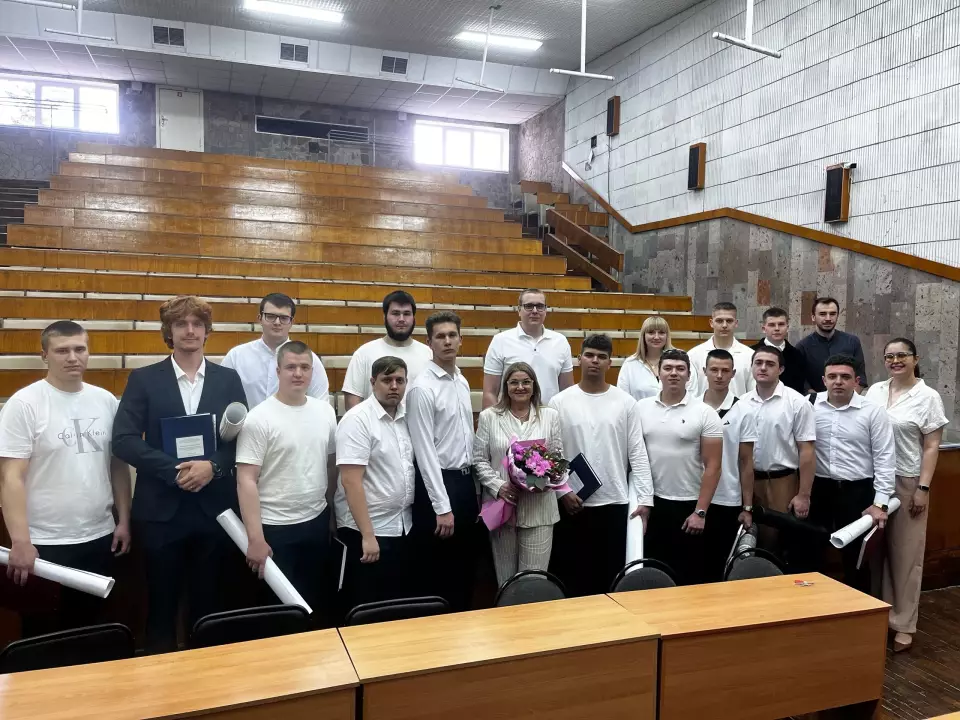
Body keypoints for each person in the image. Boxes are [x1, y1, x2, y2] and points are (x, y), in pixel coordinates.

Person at [112, 296, 248, 653]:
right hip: (161, 512)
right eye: (181, 324)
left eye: (197, 324)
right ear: (168, 332)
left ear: (207, 331)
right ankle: (161, 678)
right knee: (160, 606)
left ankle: (208, 677)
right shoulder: (144, 379)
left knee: (210, 606)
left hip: (215, 511)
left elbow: (241, 440)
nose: (190, 330)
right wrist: (174, 471)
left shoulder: (228, 379)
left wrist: (212, 467)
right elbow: (123, 441)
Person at [0, 321, 132, 636]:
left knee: (91, 630)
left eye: (79, 349)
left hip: (99, 536)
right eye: (62, 350)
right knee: (42, 635)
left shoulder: (106, 401)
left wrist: (124, 520)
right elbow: (11, 477)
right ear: (44, 355)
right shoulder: (25, 404)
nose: (73, 357)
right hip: (45, 542)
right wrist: (21, 540)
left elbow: (118, 466)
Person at [236, 341, 338, 619]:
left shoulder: (325, 412)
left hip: (316, 521)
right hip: (274, 528)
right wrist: (255, 538)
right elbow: (246, 480)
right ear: (278, 370)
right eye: (291, 367)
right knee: (279, 613)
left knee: (315, 603)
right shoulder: (258, 418)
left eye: (305, 367)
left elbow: (330, 465)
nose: (298, 373)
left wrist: (330, 514)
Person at [548, 334, 652, 597]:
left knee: (610, 579)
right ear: (579, 359)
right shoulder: (559, 402)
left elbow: (637, 452)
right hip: (573, 503)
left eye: (601, 357)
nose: (595, 361)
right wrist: (562, 492)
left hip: (614, 502)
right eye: (590, 355)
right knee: (574, 578)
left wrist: (645, 499)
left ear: (610, 363)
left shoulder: (625, 402)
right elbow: (553, 453)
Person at [865, 339, 947, 652]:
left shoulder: (927, 396)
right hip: (874, 480)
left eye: (902, 355)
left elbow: (931, 446)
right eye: (890, 356)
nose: (895, 361)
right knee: (874, 553)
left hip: (907, 480)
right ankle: (875, 615)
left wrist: (923, 488)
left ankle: (902, 623)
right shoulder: (875, 391)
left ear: (915, 359)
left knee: (905, 554)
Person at [405, 311, 477, 611]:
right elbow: (424, 452)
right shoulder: (422, 388)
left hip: (465, 482)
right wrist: (442, 507)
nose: (447, 341)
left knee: (465, 566)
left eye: (452, 335)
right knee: (439, 571)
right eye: (440, 336)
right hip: (439, 486)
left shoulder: (461, 381)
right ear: (429, 342)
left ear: (460, 340)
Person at [335, 356, 416, 613]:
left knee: (394, 608)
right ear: (372, 382)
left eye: (400, 380)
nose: (394, 386)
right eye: (387, 380)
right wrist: (368, 536)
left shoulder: (406, 417)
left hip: (401, 528)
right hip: (367, 532)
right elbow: (350, 481)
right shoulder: (358, 419)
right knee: (365, 608)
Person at [809, 354, 895, 592]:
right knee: (813, 553)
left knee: (856, 559)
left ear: (856, 381)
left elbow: (885, 458)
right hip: (818, 490)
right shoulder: (809, 405)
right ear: (823, 380)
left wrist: (880, 503)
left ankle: (859, 610)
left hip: (857, 492)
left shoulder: (873, 412)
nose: (838, 381)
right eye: (832, 376)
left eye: (845, 377)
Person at [475, 362, 564, 586]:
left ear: (534, 386)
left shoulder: (550, 416)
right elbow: (479, 460)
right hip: (502, 509)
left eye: (526, 382)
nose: (520, 387)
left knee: (534, 583)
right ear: (506, 387)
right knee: (506, 581)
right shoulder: (489, 417)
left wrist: (544, 479)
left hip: (539, 510)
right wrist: (498, 486)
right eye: (514, 382)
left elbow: (557, 457)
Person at [638, 349, 723, 585]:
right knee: (653, 572)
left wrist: (700, 512)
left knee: (688, 575)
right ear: (658, 373)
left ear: (689, 375)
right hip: (652, 503)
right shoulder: (640, 408)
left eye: (680, 369)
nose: (673, 373)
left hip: (689, 506)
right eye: (668, 368)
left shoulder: (705, 413)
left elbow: (713, 466)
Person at [739, 346, 816, 565]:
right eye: (758, 363)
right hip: (748, 480)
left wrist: (804, 494)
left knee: (776, 544)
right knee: (748, 542)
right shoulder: (741, 402)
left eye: (770, 364)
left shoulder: (796, 402)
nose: (763, 368)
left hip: (782, 481)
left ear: (781, 369)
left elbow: (807, 450)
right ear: (752, 367)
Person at [699, 349, 757, 582]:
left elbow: (746, 461)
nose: (719, 375)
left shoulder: (744, 410)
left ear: (733, 374)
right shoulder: (692, 406)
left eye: (725, 371)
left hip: (727, 499)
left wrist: (747, 506)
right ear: (704, 371)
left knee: (719, 565)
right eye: (714, 370)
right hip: (693, 496)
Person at [221, 293, 329, 408]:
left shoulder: (310, 360)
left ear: (292, 322)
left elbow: (321, 406)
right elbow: (220, 396)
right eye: (270, 316)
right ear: (260, 319)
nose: (277, 322)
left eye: (284, 318)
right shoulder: (236, 356)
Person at [341, 290, 433, 411]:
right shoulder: (364, 353)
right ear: (384, 317)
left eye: (406, 314)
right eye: (395, 313)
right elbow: (353, 404)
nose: (401, 319)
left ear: (413, 318)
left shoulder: (429, 354)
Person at [482, 289, 574, 408]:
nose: (535, 311)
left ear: (545, 310)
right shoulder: (500, 341)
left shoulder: (560, 341)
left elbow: (567, 392)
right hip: (510, 417)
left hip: (550, 417)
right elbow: (490, 393)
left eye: (540, 306)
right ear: (519, 310)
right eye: (529, 306)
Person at [796, 297, 867, 393]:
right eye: (822, 314)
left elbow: (861, 377)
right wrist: (816, 398)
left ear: (837, 316)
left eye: (832, 314)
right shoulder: (802, 347)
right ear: (813, 317)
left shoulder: (852, 342)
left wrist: (849, 398)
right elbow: (800, 380)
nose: (828, 318)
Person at [687, 302, 755, 397]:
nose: (724, 325)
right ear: (711, 323)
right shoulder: (694, 355)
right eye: (719, 321)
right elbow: (691, 392)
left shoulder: (750, 356)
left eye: (729, 321)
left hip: (739, 406)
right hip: (703, 406)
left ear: (736, 323)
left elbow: (753, 392)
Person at [618, 316, 683, 401]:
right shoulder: (630, 364)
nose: (656, 337)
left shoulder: (681, 360)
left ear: (667, 336)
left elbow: (691, 393)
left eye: (661, 332)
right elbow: (622, 399)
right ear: (643, 335)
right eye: (651, 332)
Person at [751, 307, 805, 394]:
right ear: (764, 329)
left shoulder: (797, 354)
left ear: (787, 328)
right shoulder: (751, 352)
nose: (777, 328)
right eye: (772, 325)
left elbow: (799, 385)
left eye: (781, 324)